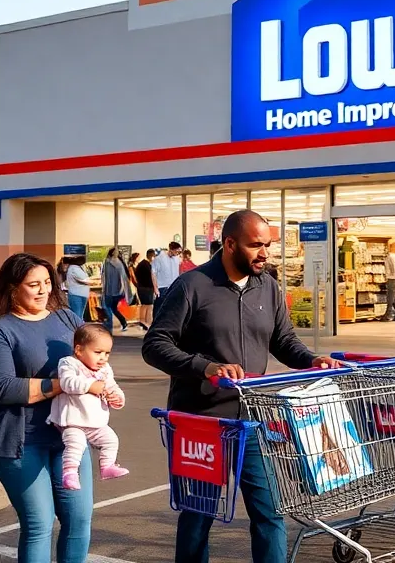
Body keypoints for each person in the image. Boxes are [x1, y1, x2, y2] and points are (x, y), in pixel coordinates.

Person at [143, 209, 341, 563]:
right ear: (230, 244)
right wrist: (205, 367)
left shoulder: (268, 286)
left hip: (252, 419)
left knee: (270, 511)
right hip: (201, 423)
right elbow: (155, 345)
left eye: (267, 245)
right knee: (198, 515)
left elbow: (283, 340)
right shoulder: (192, 286)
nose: (264, 253)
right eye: (256, 245)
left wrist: (311, 360)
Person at [0, 252, 91, 563]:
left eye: (47, 282)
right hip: (20, 439)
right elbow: (4, 388)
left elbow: (94, 356)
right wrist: (66, 384)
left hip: (69, 436)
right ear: (12, 288)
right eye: (33, 284)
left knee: (79, 520)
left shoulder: (67, 318)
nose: (43, 290)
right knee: (39, 523)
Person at [49, 323, 128, 490]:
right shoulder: (69, 363)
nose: (103, 358)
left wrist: (117, 397)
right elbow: (67, 383)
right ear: (79, 350)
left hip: (95, 422)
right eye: (98, 352)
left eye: (107, 353)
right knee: (76, 444)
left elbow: (111, 385)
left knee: (111, 439)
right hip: (72, 421)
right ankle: (69, 473)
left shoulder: (104, 369)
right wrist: (91, 385)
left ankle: (107, 466)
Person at [102, 248, 129, 333]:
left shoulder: (107, 262)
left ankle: (108, 327)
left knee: (107, 307)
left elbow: (105, 277)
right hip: (119, 291)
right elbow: (124, 277)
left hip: (110, 291)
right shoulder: (121, 263)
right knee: (113, 308)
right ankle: (123, 322)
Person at [133, 249, 156, 331]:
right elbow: (151, 277)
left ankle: (143, 322)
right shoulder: (147, 265)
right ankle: (148, 322)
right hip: (147, 288)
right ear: (152, 256)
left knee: (144, 305)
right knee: (149, 306)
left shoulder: (141, 264)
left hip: (141, 287)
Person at [383, 241, 395, 322]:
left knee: (390, 296)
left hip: (392, 277)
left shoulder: (391, 256)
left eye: (390, 246)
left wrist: (390, 276)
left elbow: (393, 268)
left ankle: (388, 314)